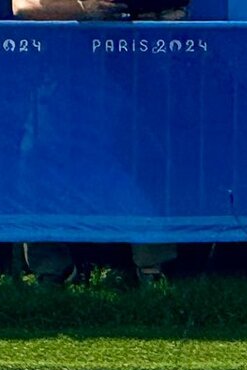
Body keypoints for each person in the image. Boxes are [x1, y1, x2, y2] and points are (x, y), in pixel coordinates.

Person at [12, 0, 187, 286]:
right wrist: (87, 6)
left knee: (145, 152)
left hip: (145, 49)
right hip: (65, 57)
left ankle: (153, 270)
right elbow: (23, 5)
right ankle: (52, 272)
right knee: (39, 155)